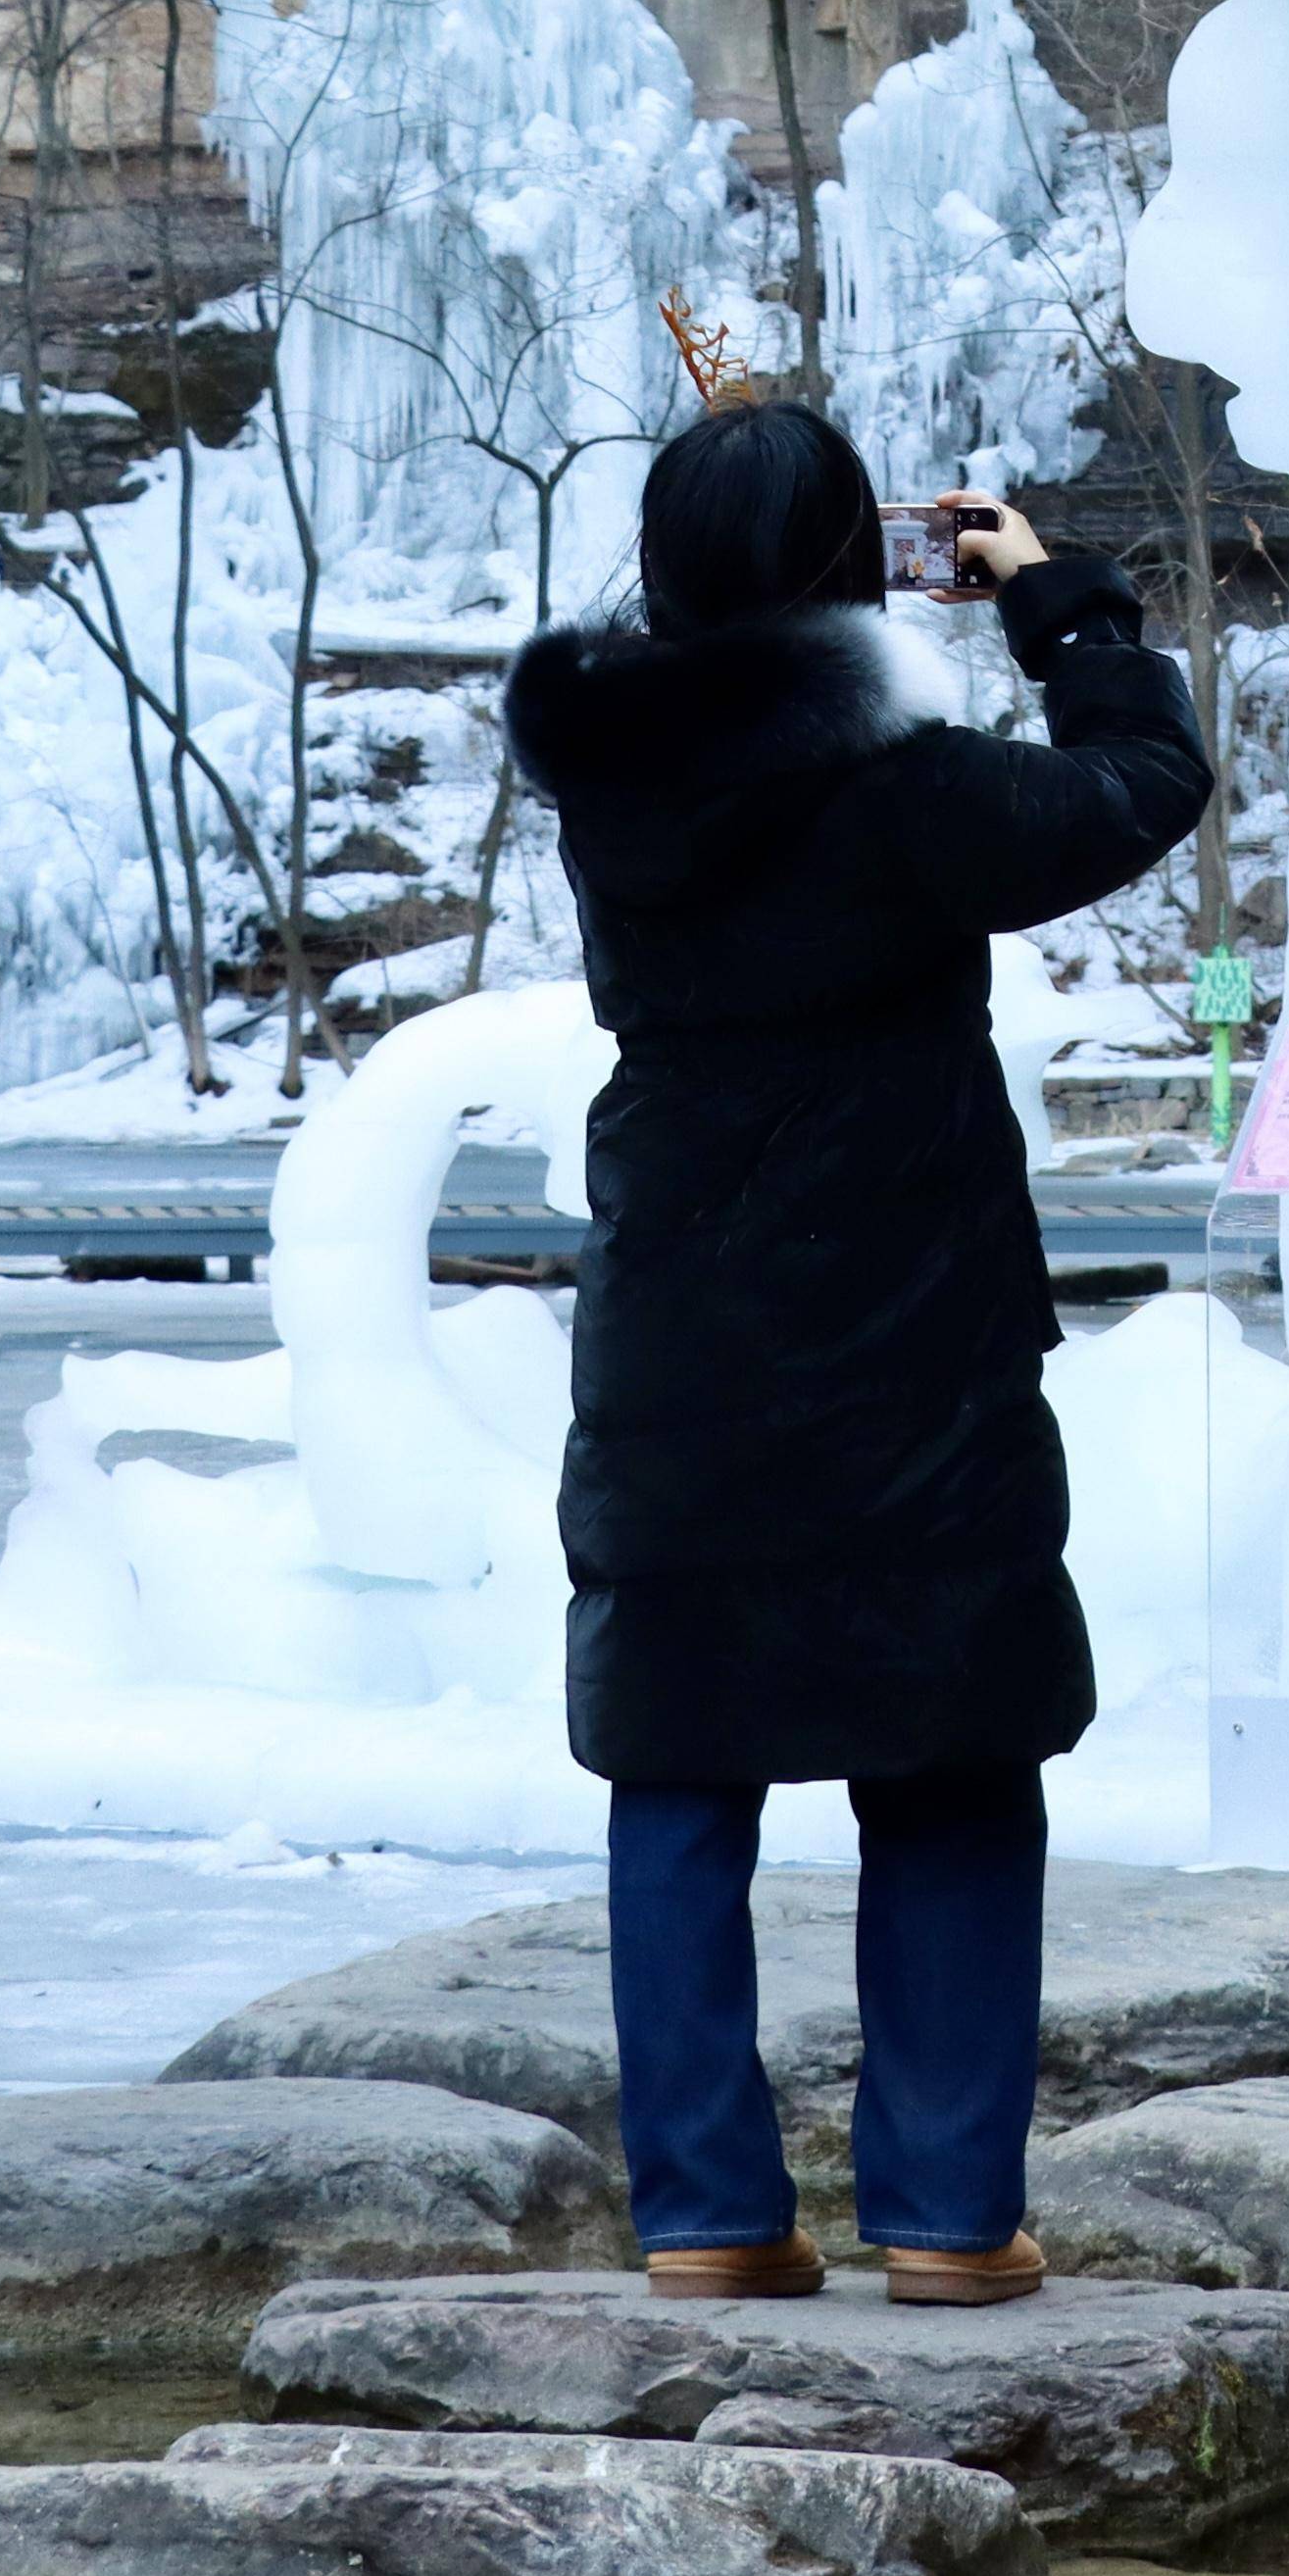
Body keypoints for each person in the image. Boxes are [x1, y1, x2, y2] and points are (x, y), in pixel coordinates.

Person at [503, 399, 1208, 2307]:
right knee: (954, 1749)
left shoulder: (616, 777)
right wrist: (1058, 603)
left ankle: (710, 2215)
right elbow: (1141, 785)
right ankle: (950, 2215)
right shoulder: (904, 788)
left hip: (679, 1329)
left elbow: (749, 703)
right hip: (904, 1321)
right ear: (850, 569)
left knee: (680, 1760)